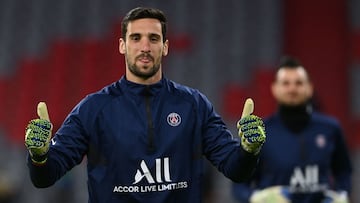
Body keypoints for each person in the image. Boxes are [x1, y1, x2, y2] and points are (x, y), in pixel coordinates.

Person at [24, 7, 266, 203]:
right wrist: (39, 156)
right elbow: (45, 177)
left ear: (166, 46)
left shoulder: (194, 105)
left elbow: (236, 170)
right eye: (135, 38)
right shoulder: (93, 109)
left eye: (154, 38)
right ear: (122, 45)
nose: (145, 47)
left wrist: (249, 151)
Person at [232, 56, 353, 203]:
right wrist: (254, 198)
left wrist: (342, 195)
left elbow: (344, 172)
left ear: (310, 88)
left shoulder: (330, 128)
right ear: (274, 88)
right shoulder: (260, 131)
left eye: (299, 83)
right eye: (285, 83)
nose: (292, 88)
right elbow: (239, 183)